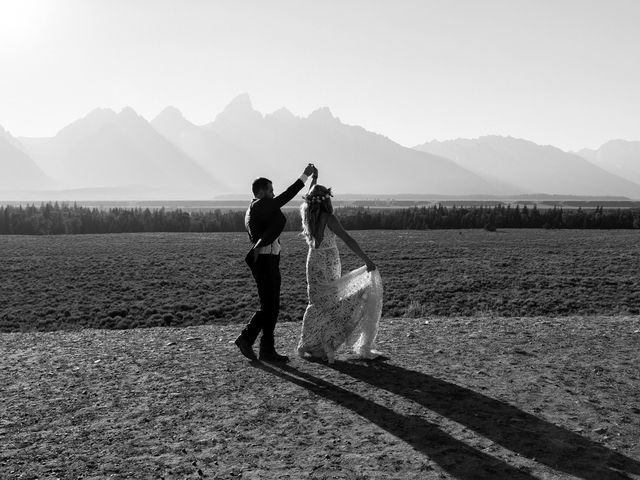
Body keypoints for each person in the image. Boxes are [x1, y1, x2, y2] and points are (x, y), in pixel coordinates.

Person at [235, 163, 317, 362]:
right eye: (271, 191)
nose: (274, 194)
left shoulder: (256, 208)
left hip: (269, 259)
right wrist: (305, 176)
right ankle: (246, 338)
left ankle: (267, 349)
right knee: (269, 306)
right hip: (264, 261)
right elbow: (286, 196)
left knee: (272, 306)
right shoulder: (260, 205)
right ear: (261, 192)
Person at [296, 176, 383, 364]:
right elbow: (347, 238)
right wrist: (366, 260)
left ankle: (311, 343)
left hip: (313, 261)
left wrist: (315, 179)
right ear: (326, 200)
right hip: (328, 262)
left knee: (317, 300)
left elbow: (309, 198)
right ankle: (326, 343)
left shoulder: (308, 215)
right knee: (332, 301)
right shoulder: (328, 218)